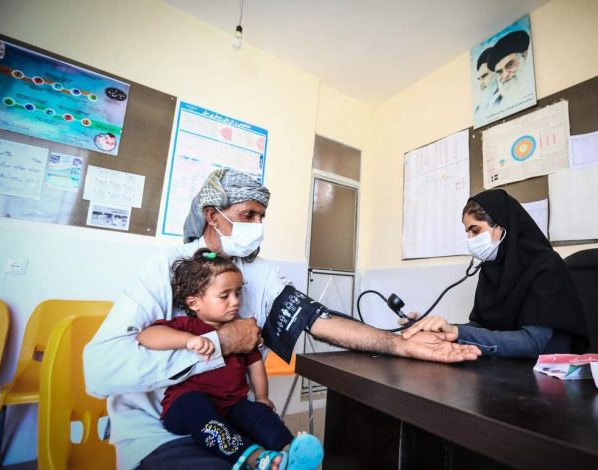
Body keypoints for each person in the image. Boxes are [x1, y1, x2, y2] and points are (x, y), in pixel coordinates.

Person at [84, 168, 480, 470]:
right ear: (212, 215)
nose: (257, 226)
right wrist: (222, 342)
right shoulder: (165, 269)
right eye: (247, 215)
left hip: (235, 415)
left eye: (262, 216)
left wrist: (401, 344)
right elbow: (99, 370)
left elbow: (319, 320)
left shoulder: (261, 275)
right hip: (163, 428)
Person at [136, 248, 322, 470]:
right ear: (194, 303)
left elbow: (255, 364)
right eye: (225, 296)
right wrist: (187, 340)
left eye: (238, 293)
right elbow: (146, 336)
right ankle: (256, 458)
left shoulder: (241, 330)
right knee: (195, 405)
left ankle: (290, 453)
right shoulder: (188, 326)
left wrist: (262, 397)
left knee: (260, 413)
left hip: (232, 405)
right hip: (185, 409)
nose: (235, 302)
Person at [402, 189, 588, 358]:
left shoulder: (546, 264)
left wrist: (457, 332)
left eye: (475, 231)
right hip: (507, 370)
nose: (470, 240)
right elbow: (480, 326)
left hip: (547, 372)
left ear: (500, 227)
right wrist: (437, 330)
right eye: (468, 233)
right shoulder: (491, 269)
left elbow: (533, 343)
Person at [486, 30, 535, 113]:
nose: (505, 75)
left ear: (524, 56)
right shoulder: (493, 105)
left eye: (510, 65)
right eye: (499, 72)